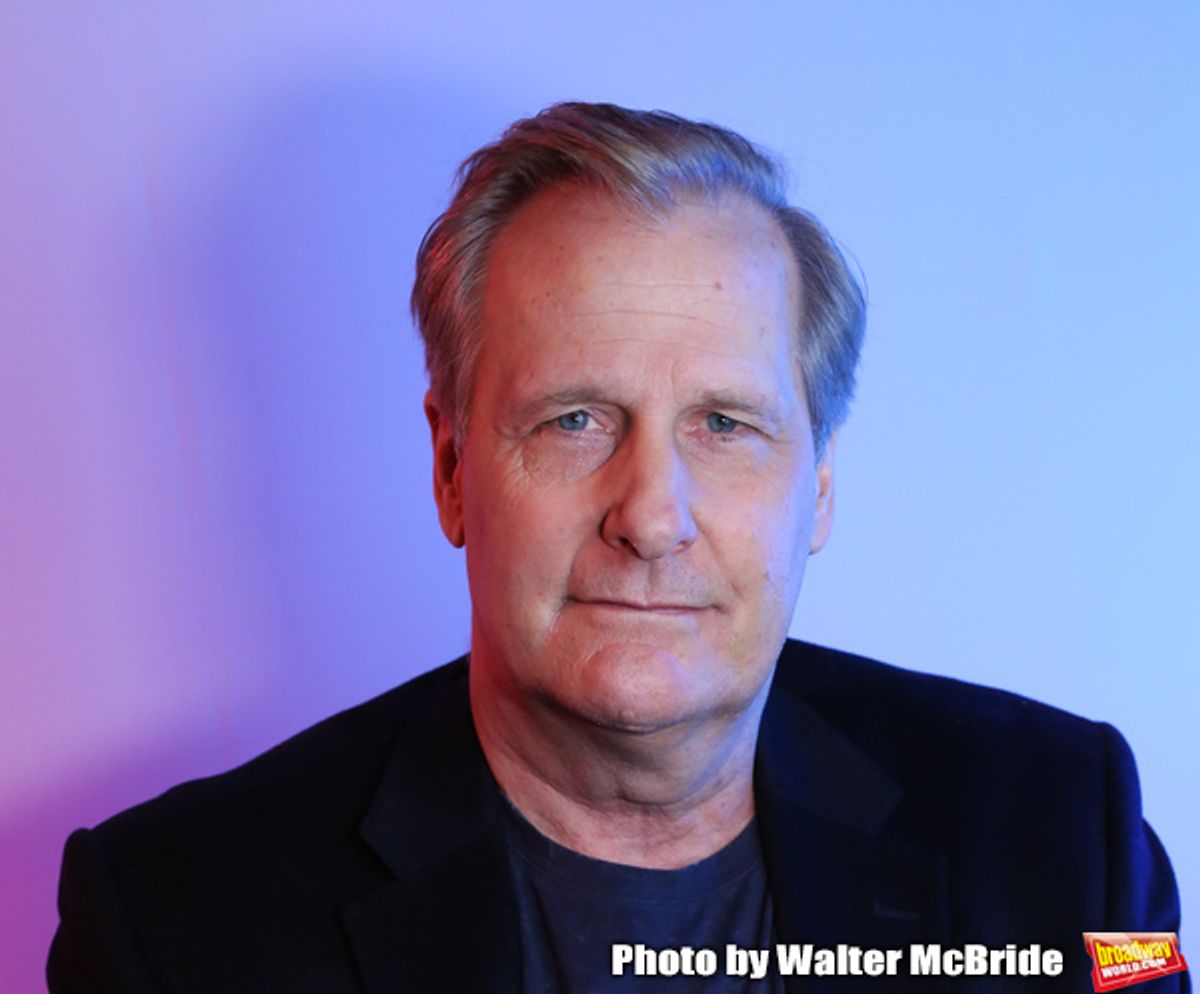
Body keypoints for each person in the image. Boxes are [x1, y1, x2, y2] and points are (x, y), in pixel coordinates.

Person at [48, 102, 1185, 993]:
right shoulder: (175, 919)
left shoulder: (1065, 829)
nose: (650, 514)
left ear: (820, 488)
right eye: (574, 419)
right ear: (452, 470)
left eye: (725, 426)